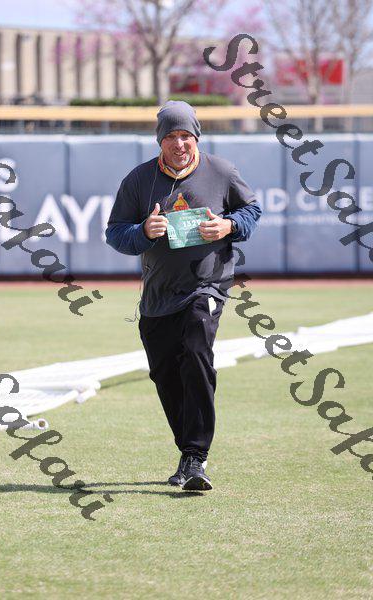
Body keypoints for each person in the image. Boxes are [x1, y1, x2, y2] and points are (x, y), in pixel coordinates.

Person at [106, 100, 262, 491]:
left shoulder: (221, 172)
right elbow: (115, 232)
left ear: (197, 138)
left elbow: (252, 211)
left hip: (206, 285)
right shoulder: (139, 180)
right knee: (165, 374)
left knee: (196, 353)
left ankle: (196, 455)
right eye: (171, 136)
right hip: (158, 296)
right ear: (159, 141)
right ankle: (188, 455)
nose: (179, 143)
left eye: (186, 136)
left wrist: (228, 226)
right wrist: (144, 231)